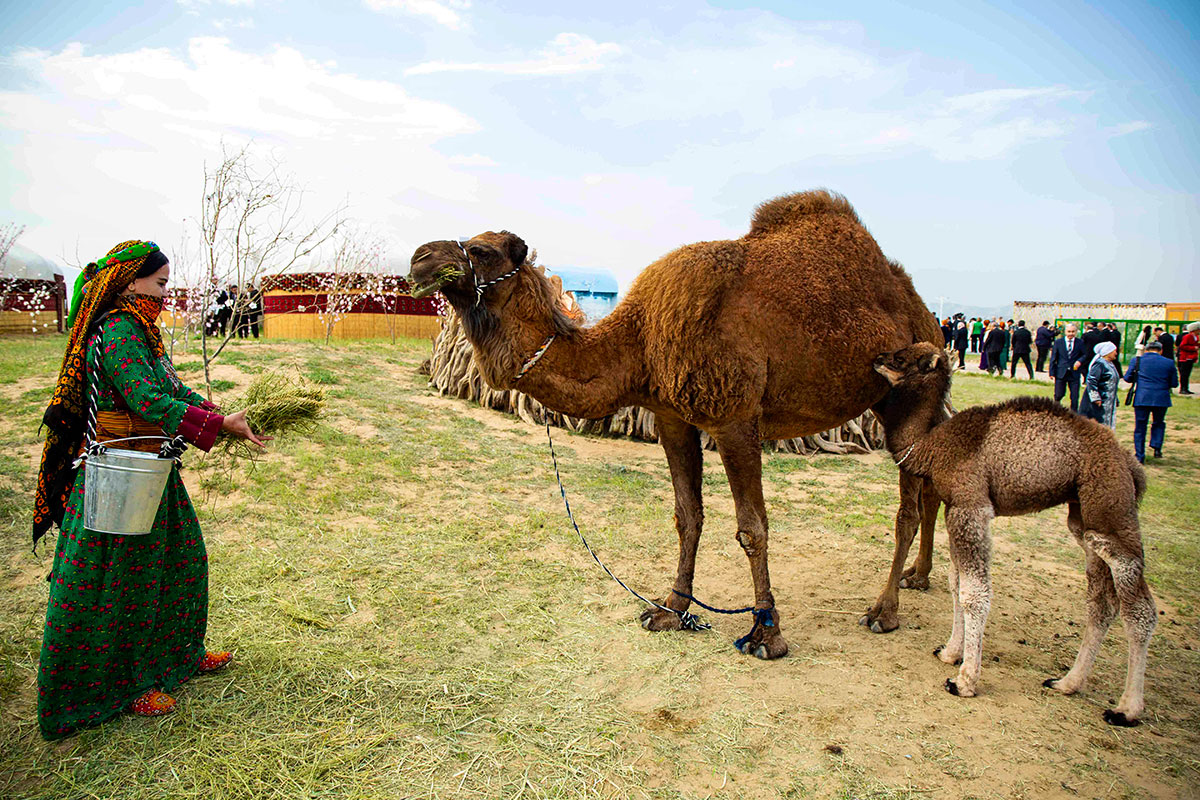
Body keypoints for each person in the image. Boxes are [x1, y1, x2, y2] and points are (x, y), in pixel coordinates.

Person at [34, 240, 269, 740]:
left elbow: (169, 386)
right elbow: (144, 398)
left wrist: (220, 415)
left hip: (151, 467)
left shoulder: (140, 329)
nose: (166, 293)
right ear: (129, 282)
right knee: (119, 584)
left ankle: (178, 657)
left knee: (183, 560)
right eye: (160, 284)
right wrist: (215, 425)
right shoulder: (116, 331)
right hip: (120, 473)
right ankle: (120, 686)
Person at [1123, 340, 1178, 463]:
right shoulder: (1169, 363)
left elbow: (1127, 378)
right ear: (1161, 350)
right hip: (1161, 397)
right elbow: (1174, 383)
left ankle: (1139, 455)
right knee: (1158, 422)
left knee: (1140, 426)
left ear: (1146, 350)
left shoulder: (1137, 361)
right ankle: (1156, 446)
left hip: (1142, 397)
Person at [1048, 322, 1085, 412]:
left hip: (1074, 373)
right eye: (1069, 331)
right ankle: (1056, 411)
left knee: (1075, 396)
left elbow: (1084, 354)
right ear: (1065, 332)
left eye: (1073, 332)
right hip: (1061, 372)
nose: (1071, 334)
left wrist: (1079, 361)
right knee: (1058, 394)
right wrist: (1051, 372)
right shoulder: (1058, 342)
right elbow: (1054, 358)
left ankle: (1074, 414)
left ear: (1076, 332)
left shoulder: (1080, 342)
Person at [1084, 341, 1120, 429]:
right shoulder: (1099, 364)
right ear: (1107, 352)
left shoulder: (1110, 364)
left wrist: (1115, 398)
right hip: (1101, 400)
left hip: (1109, 401)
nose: (1116, 353)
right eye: (1114, 351)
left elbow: (1112, 383)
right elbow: (1091, 381)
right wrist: (1095, 398)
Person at [1177, 321, 1198, 394]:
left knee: (1187, 373)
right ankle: (1182, 388)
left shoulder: (1196, 337)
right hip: (1185, 357)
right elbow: (1182, 346)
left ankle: (1186, 388)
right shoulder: (1188, 336)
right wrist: (1193, 348)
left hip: (1191, 357)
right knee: (1184, 374)